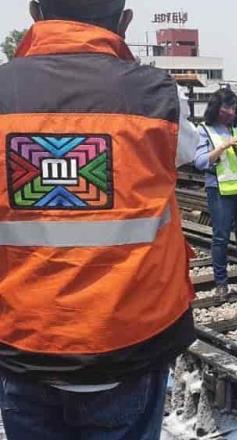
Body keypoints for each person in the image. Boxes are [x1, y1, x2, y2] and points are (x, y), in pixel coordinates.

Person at [0, 1, 199, 439]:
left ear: (35, 13)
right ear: (125, 21)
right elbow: (189, 155)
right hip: (128, 345)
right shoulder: (159, 96)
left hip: (24, 343)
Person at [194, 88, 237, 297]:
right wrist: (223, 146)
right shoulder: (205, 129)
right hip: (220, 190)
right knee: (220, 238)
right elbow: (200, 161)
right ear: (217, 108)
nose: (231, 112)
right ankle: (221, 284)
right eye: (227, 107)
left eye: (233, 107)